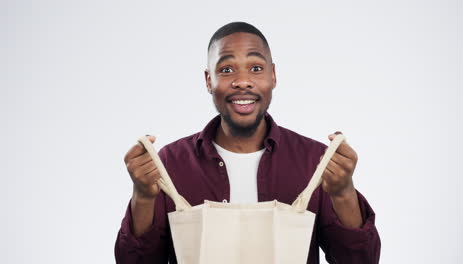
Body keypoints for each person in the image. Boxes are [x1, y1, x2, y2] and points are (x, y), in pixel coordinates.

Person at [115, 22, 381, 263]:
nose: (242, 81)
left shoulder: (316, 161)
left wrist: (344, 193)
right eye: (227, 69)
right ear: (209, 80)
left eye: (256, 68)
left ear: (273, 76)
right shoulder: (170, 164)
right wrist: (143, 196)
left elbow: (359, 262)